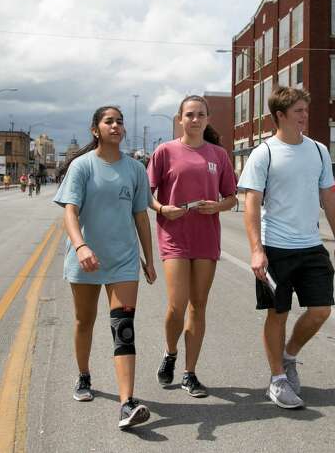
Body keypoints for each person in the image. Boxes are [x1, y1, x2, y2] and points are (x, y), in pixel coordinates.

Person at [237, 87, 335, 410]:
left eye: (305, 109)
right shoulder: (264, 154)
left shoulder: (318, 151)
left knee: (321, 310)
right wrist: (256, 250)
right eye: (298, 110)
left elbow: (329, 198)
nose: (304, 115)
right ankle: (277, 380)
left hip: (311, 246)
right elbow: (251, 203)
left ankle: (288, 356)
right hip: (276, 248)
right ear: (280, 116)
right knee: (278, 313)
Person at [54, 105, 157, 430]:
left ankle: (127, 403)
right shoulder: (82, 166)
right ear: (95, 129)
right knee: (85, 320)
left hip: (123, 260)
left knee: (123, 327)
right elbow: (70, 212)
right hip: (85, 259)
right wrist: (81, 246)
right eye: (109, 121)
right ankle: (84, 377)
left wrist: (149, 260)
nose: (116, 125)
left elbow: (141, 215)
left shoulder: (135, 170)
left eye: (120, 121)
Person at [147, 95, 237, 398]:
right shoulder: (165, 151)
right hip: (174, 235)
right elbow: (146, 195)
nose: (195, 119)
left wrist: (219, 206)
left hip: (206, 237)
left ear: (207, 119)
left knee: (199, 305)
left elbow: (232, 196)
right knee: (177, 304)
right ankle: (170, 352)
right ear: (180, 119)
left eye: (200, 114)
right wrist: (162, 209)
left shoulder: (218, 155)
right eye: (189, 114)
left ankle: (190, 372)